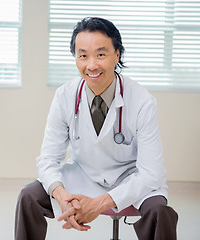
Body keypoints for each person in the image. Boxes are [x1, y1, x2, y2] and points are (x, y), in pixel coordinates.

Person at [15, 17, 178, 240]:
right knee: (29, 196)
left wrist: (100, 203)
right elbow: (48, 159)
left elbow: (152, 172)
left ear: (117, 54)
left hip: (130, 179)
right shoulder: (65, 96)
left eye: (101, 54)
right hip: (83, 175)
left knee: (161, 212)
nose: (91, 65)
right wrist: (62, 195)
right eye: (83, 55)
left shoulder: (142, 100)